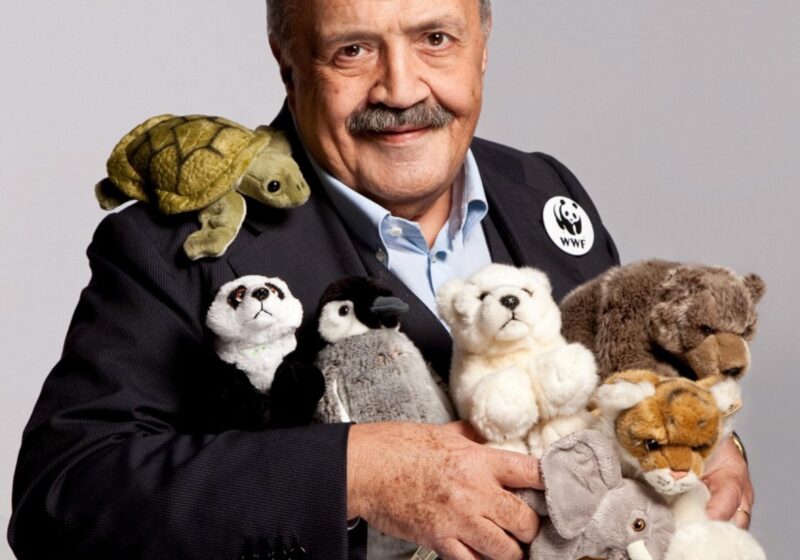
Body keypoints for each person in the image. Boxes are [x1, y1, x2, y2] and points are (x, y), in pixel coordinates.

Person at [8, 1, 753, 559]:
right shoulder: (175, 244)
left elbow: (619, 372)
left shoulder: (541, 188)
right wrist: (354, 473)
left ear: (482, 44)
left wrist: (707, 444)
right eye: (353, 50)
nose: (400, 90)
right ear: (287, 59)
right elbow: (61, 497)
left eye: (436, 39)